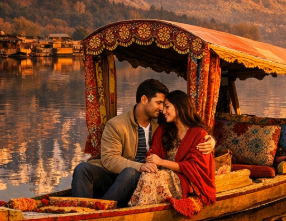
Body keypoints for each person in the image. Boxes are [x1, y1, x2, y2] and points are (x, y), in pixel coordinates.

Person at [72, 79, 215, 206]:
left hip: (143, 179)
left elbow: (188, 131)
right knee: (82, 168)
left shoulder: (161, 125)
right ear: (144, 99)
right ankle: (80, 211)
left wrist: (211, 140)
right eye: (159, 103)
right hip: (118, 176)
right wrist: (141, 166)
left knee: (130, 173)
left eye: (164, 105)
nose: (161, 109)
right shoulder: (116, 125)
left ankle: (101, 212)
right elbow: (110, 160)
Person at [129, 90, 216, 212]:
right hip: (163, 174)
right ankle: (139, 212)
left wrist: (161, 162)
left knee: (151, 178)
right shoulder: (163, 130)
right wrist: (151, 161)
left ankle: (139, 214)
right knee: (148, 174)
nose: (163, 111)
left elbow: (193, 168)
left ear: (180, 107)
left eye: (167, 107)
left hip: (186, 180)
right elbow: (154, 153)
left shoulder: (199, 134)